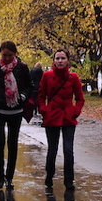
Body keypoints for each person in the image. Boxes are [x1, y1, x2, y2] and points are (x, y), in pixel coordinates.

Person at [0, 41, 31, 190]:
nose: (7, 58)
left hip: (16, 111)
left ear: (15, 54)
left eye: (10, 55)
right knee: (0, 142)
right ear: (0, 54)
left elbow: (29, 86)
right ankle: (0, 177)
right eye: (4, 55)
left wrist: (23, 95)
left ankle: (10, 178)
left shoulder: (22, 68)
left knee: (13, 144)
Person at [38, 49, 85, 190]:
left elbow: (80, 98)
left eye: (63, 58)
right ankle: (49, 176)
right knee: (52, 149)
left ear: (68, 60)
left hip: (68, 117)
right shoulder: (47, 76)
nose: (60, 61)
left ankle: (69, 181)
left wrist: (75, 112)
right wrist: (44, 110)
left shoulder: (73, 77)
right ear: (53, 61)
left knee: (68, 150)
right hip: (52, 116)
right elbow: (41, 96)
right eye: (57, 58)